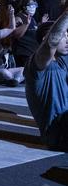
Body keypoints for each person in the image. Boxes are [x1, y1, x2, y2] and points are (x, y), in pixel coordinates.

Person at [25, 8, 68, 150]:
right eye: (64, 35)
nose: (67, 39)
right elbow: (51, 43)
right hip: (58, 133)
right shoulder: (36, 66)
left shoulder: (62, 61)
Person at [12, 0, 48, 68]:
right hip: (24, 53)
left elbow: (33, 31)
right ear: (24, 6)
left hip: (33, 53)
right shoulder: (18, 18)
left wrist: (41, 24)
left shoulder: (32, 19)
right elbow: (15, 35)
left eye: (35, 6)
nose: (33, 8)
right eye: (31, 6)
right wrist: (26, 24)